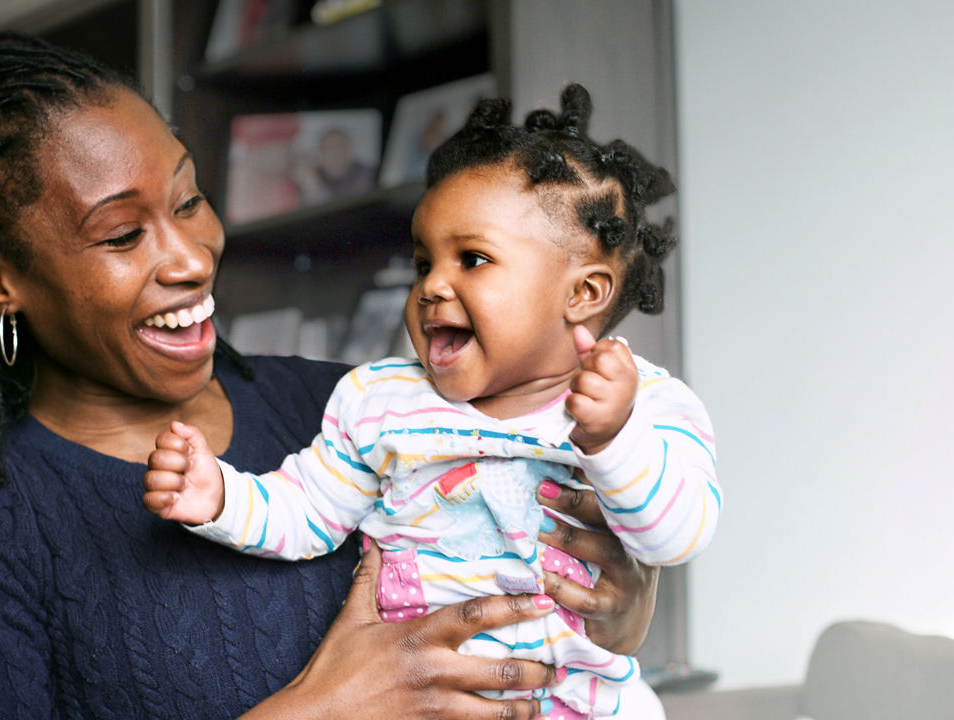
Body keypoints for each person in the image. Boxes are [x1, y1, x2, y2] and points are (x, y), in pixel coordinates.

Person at [0, 30, 663, 720]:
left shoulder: (348, 407)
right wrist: (321, 708)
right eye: (119, 236)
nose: (189, 256)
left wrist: (622, 607)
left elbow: (551, 581)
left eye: (188, 200)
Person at [144, 87, 720, 719]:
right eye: (423, 262)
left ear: (582, 293)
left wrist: (614, 439)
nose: (431, 287)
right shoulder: (381, 399)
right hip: (422, 700)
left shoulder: (646, 404)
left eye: (472, 259)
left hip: (579, 703)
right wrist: (221, 497)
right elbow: (309, 509)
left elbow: (675, 538)